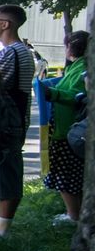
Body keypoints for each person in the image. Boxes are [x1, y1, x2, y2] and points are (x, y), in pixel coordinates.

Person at [0, 5, 36, 236]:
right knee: (8, 167)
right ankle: (2, 224)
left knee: (6, 168)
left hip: (6, 122)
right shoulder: (22, 51)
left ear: (6, 24)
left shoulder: (9, 52)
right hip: (17, 118)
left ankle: (2, 227)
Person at [44, 29, 87, 223]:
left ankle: (73, 215)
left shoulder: (83, 68)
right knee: (68, 175)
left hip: (71, 129)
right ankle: (74, 212)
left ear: (72, 47)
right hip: (66, 128)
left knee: (66, 175)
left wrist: (53, 93)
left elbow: (77, 96)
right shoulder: (76, 67)